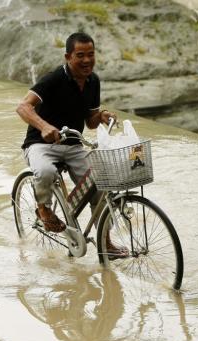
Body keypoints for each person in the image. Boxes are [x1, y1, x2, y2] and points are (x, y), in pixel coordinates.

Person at [16, 32, 116, 232]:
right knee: (46, 171)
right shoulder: (53, 79)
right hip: (40, 145)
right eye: (80, 55)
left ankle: (105, 243)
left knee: (99, 186)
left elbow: (90, 123)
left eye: (90, 54)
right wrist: (44, 126)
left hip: (73, 146)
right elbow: (23, 107)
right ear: (68, 57)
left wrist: (102, 116)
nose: (86, 60)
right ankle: (43, 209)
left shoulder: (93, 81)